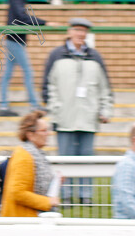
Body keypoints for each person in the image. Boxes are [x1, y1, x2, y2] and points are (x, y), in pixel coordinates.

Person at [42, 18, 113, 205]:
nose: (80, 34)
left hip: (88, 118)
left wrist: (105, 110)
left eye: (84, 31)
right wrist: (55, 110)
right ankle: (63, 196)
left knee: (87, 158)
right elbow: (48, 87)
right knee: (64, 159)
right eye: (77, 30)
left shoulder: (95, 57)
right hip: (64, 117)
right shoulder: (56, 55)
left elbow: (104, 88)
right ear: (70, 31)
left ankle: (85, 196)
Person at [0, 0, 49, 116]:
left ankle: (3, 106)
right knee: (28, 71)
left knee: (8, 73)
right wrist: (44, 23)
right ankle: (34, 105)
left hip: (13, 40)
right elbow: (21, 17)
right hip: (15, 41)